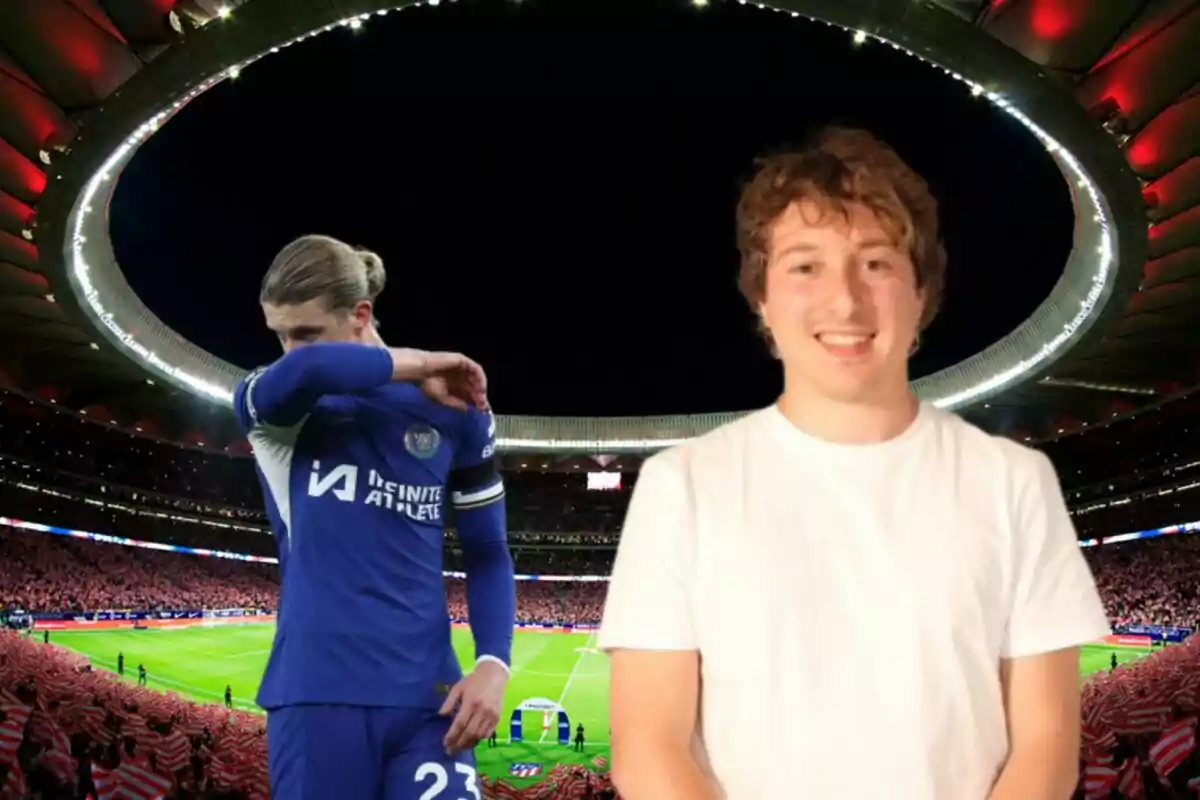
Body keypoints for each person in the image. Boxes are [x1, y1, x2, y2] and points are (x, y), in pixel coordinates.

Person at [598, 128, 1109, 800]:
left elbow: (1044, 746)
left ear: (921, 294)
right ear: (763, 300)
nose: (845, 301)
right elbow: (649, 749)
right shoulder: (682, 486)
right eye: (805, 266)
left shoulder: (1014, 483)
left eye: (876, 263)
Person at [233, 234, 516, 799]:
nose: (290, 349)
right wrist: (421, 364)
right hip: (316, 697)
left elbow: (487, 551)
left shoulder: (454, 414)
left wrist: (493, 663)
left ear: (360, 314)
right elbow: (309, 369)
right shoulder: (277, 410)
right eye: (280, 335)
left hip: (431, 700)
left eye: (305, 332)